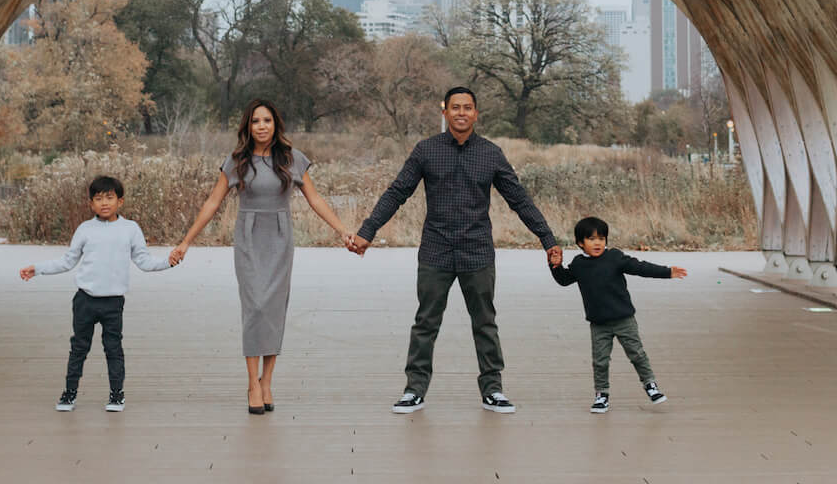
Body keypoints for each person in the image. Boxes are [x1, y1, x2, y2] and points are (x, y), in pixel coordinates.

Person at [347, 86, 561, 414]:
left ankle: (493, 389)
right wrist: (367, 231)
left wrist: (548, 239)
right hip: (436, 250)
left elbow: (519, 200)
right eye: (455, 108)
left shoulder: (491, 154)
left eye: (468, 108)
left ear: (476, 114)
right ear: (445, 112)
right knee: (426, 321)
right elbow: (397, 192)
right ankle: (414, 389)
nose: (461, 113)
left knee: (485, 321)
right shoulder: (426, 150)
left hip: (477, 251)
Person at [171, 99, 356, 414]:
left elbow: (315, 199)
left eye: (267, 120)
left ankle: (267, 380)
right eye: (255, 121)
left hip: (280, 237)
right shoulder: (236, 162)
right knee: (254, 307)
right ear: (248, 126)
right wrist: (185, 242)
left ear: (276, 124)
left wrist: (343, 231)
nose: (261, 126)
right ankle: (251, 383)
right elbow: (212, 203)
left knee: (272, 309)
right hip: (249, 236)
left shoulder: (292, 159)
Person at [19, 174, 176, 412]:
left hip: (113, 302)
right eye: (98, 198)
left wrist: (169, 261)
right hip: (85, 300)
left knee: (113, 348)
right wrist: (37, 269)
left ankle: (116, 395)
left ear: (120, 201)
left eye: (110, 198)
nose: (104, 203)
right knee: (79, 347)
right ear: (91, 204)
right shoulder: (85, 230)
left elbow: (144, 261)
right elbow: (67, 261)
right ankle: (69, 394)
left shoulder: (130, 229)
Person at [549, 215, 687, 413]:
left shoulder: (614, 257)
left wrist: (667, 272)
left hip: (624, 320)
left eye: (601, 239)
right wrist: (555, 266)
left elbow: (640, 267)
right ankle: (601, 395)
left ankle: (650, 385)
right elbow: (563, 280)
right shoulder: (579, 264)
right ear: (580, 243)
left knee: (637, 354)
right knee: (600, 361)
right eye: (591, 239)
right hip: (599, 324)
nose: (598, 243)